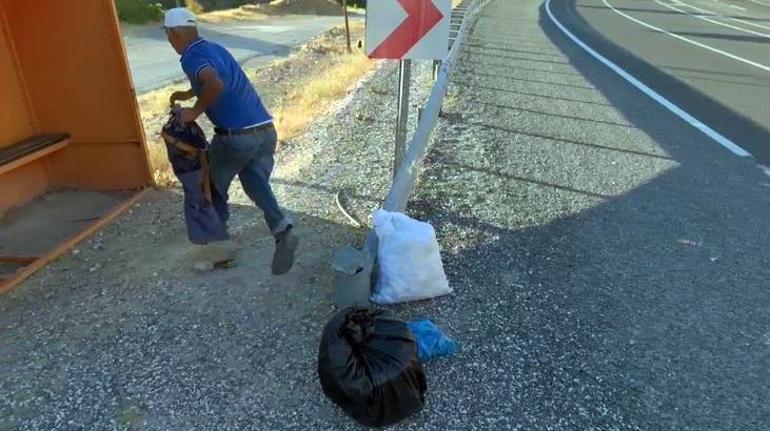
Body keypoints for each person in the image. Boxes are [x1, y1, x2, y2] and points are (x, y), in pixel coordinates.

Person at [164, 7, 298, 275]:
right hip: (264, 130)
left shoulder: (190, 56)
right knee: (255, 182)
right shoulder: (214, 48)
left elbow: (214, 84)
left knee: (211, 186)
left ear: (173, 34)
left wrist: (193, 112)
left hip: (237, 137)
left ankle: (219, 249)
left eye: (168, 35)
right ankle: (282, 227)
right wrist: (189, 92)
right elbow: (216, 78)